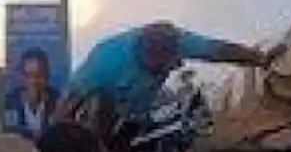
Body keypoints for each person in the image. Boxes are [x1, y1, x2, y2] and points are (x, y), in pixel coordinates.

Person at [62, 21, 271, 121]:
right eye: (166, 64)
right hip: (105, 113)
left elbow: (219, 51)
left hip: (143, 112)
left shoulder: (178, 40)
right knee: (97, 108)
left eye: (176, 59)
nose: (175, 67)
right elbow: (67, 102)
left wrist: (260, 59)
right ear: (146, 55)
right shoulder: (105, 63)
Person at [4, 46, 61, 140]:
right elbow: (9, 130)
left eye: (39, 75)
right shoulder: (12, 100)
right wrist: (33, 134)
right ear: (22, 76)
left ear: (47, 75)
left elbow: (60, 132)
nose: (34, 81)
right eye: (29, 75)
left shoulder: (56, 99)